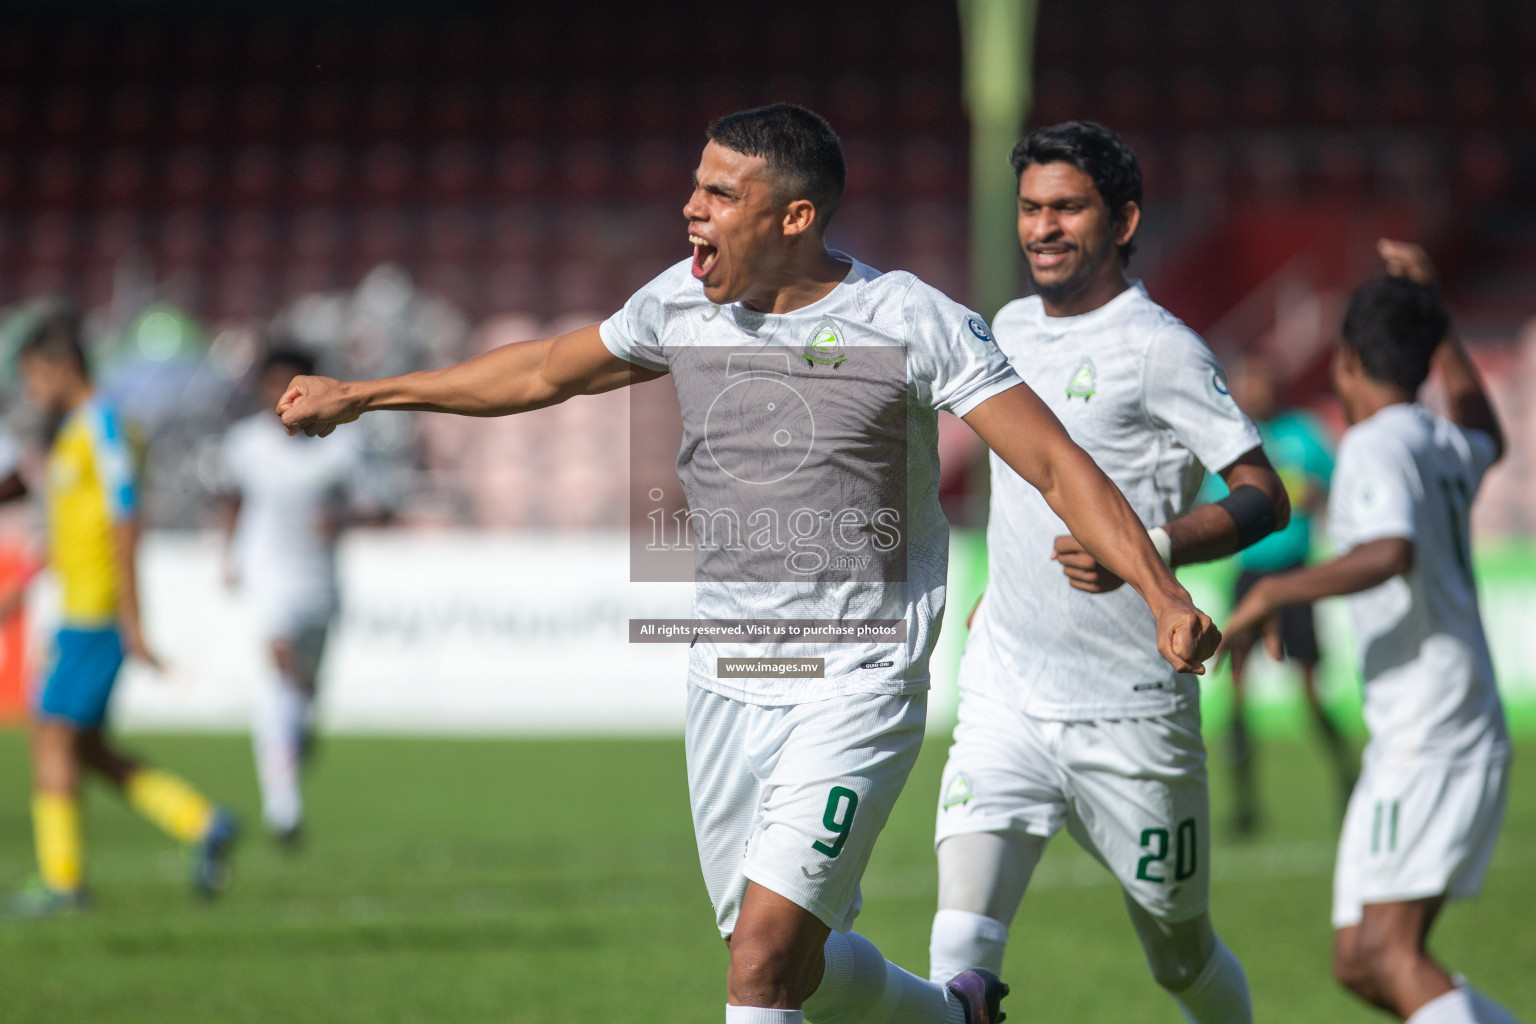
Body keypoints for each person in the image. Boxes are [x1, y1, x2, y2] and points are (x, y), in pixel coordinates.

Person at [278, 104, 1222, 1024]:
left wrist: (1161, 592)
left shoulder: (908, 320)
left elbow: (1058, 462)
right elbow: (543, 372)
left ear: (794, 218)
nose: (693, 208)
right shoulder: (680, 300)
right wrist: (365, 395)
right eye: (696, 186)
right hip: (728, 676)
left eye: (721, 193)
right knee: (784, 964)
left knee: (762, 965)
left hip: (856, 679)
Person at [927, 121, 1287, 1024]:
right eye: (1031, 208)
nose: (1043, 227)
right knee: (959, 944)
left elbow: (1263, 495)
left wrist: (1156, 550)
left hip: (1132, 714)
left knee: (1179, 954)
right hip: (1005, 694)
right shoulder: (1004, 329)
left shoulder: (1159, 347)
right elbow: (1028, 485)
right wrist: (1000, 589)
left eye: (1067, 208)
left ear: (1123, 220)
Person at [1223, 242, 1520, 1024]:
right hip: (1425, 723)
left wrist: (1274, 590)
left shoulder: (1378, 443)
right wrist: (1442, 325)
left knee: (1390, 953)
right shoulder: (1433, 436)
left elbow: (1391, 552)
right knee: (1359, 961)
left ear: (1346, 359)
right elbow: (1488, 431)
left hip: (1432, 727)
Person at [6, 306, 238, 918]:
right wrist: (27, 583)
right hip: (79, 607)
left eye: (33, 374)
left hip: (98, 611)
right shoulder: (77, 429)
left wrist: (133, 621)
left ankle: (63, 883)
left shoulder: (105, 423)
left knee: (49, 735)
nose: (31, 389)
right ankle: (201, 821)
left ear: (60, 365)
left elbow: (125, 519)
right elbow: (71, 528)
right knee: (83, 746)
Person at [219, 346, 369, 848]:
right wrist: (229, 556)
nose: (280, 397)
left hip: (320, 583)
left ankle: (296, 736)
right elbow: (233, 499)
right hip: (269, 576)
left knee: (303, 692)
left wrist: (342, 519)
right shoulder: (245, 445)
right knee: (278, 669)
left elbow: (370, 504)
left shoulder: (339, 447)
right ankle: (283, 808)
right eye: (271, 385)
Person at [1215, 351, 1353, 836]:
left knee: (1312, 692)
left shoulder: (1304, 434)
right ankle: (1244, 806)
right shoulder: (1231, 438)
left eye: (1262, 382)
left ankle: (1348, 778)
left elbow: (1341, 486)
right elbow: (1214, 504)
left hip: (1295, 574)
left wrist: (1317, 496)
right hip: (1249, 575)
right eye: (1248, 384)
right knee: (1235, 696)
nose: (1256, 392)